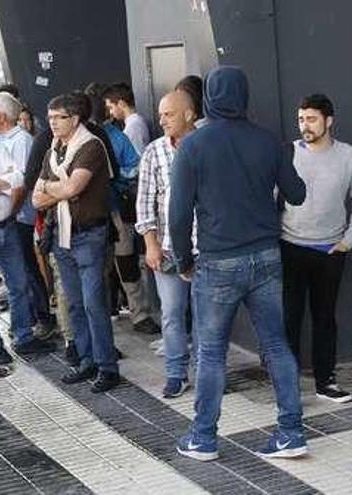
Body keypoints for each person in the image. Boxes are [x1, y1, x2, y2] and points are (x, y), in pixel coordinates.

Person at [169, 66, 308, 461]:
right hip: (266, 255)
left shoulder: (193, 146)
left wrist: (182, 260)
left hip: (216, 262)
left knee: (211, 352)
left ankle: (203, 438)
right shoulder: (269, 142)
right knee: (277, 345)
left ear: (209, 98)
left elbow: (178, 214)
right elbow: (297, 194)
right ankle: (291, 433)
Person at [282, 94, 352, 403]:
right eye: (301, 119)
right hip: (290, 247)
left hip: (330, 251)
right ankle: (287, 385)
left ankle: (326, 381)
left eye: (311, 119)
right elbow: (270, 196)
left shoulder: (349, 157)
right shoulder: (288, 153)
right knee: (289, 318)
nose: (305, 125)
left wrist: (348, 241)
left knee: (325, 317)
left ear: (329, 121)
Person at [32, 93, 120, 393]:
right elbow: (36, 198)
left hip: (89, 235)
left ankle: (108, 367)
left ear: (76, 119)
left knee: (94, 303)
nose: (53, 123)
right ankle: (87, 360)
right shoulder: (52, 151)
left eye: (60, 117)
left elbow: (73, 187)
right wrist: (58, 190)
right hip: (61, 236)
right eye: (51, 117)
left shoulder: (91, 146)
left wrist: (51, 187)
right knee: (74, 304)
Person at [86, 82, 161, 335]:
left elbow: (135, 168)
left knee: (125, 261)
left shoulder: (114, 137)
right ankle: (123, 315)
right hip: (92, 214)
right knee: (104, 266)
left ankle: (138, 313)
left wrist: (116, 178)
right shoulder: (107, 135)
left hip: (115, 209)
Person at [136, 91, 197, 398]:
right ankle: (176, 374)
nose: (161, 120)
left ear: (188, 114)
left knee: (206, 316)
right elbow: (145, 203)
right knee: (172, 312)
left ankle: (206, 373)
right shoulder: (154, 151)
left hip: (204, 250)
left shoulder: (207, 146)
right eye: (160, 115)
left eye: (168, 114)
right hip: (169, 249)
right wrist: (151, 245)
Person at [0, 92, 57, 338]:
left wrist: (13, 210)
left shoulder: (20, 140)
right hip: (10, 217)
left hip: (18, 216)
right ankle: (27, 321)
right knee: (18, 276)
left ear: (1, 115)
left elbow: (21, 182)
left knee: (26, 271)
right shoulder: (0, 140)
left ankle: (41, 316)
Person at [103, 82, 150, 154]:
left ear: (121, 104)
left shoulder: (133, 126)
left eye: (111, 108)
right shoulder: (134, 123)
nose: (110, 112)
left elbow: (137, 159)